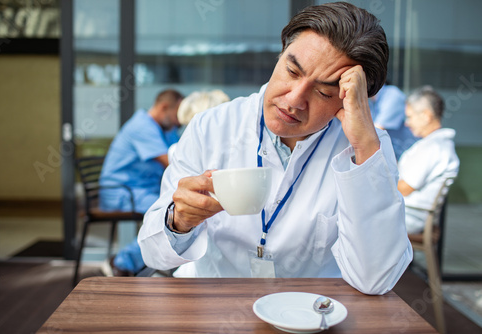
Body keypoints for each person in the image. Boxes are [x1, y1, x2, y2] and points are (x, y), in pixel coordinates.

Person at [138, 2, 413, 295]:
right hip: (217, 305)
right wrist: (179, 221)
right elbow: (154, 255)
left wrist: (365, 146)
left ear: (350, 99)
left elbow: (377, 280)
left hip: (313, 314)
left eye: (323, 92)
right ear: (280, 55)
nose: (294, 100)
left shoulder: (368, 148)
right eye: (292, 71)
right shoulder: (212, 126)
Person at [99, 89, 183, 275]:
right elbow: (172, 162)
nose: (180, 121)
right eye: (179, 114)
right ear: (164, 107)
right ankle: (121, 262)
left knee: (175, 210)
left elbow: (182, 155)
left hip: (143, 190)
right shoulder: (142, 126)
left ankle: (148, 263)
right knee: (169, 213)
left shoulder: (166, 129)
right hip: (120, 192)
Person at [398, 86, 460, 234]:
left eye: (410, 116)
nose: (407, 123)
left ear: (426, 116)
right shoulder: (433, 144)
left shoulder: (434, 147)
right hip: (407, 212)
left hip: (408, 216)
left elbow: (404, 188)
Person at [369, 84, 418, 160]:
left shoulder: (392, 95)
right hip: (395, 158)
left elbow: (374, 132)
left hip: (410, 157)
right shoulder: (370, 101)